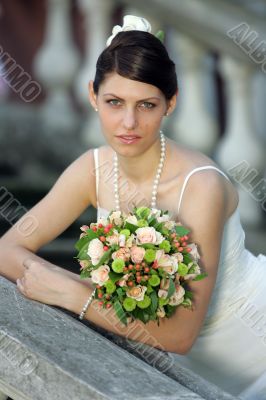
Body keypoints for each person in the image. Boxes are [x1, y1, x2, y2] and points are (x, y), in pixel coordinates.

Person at [0, 15, 265, 399]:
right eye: (114, 102)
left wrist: (74, 294)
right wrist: (55, 280)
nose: (128, 122)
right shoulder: (91, 170)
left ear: (170, 104)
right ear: (93, 96)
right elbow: (7, 249)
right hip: (198, 376)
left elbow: (179, 332)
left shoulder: (202, 185)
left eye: (146, 105)